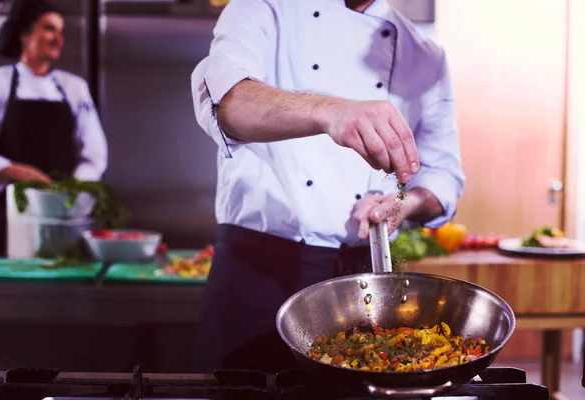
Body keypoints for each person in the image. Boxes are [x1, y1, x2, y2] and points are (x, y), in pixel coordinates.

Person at [191, 0, 465, 373]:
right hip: (255, 273)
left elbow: (443, 174)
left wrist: (407, 203)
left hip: (356, 286)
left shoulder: (426, 55)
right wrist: (330, 110)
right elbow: (228, 103)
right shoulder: (264, 6)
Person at [0, 0, 107, 256]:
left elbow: (94, 154)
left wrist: (70, 193)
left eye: (61, 32)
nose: (58, 39)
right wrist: (19, 172)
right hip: (9, 212)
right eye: (49, 29)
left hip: (65, 214)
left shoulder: (74, 87)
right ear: (25, 34)